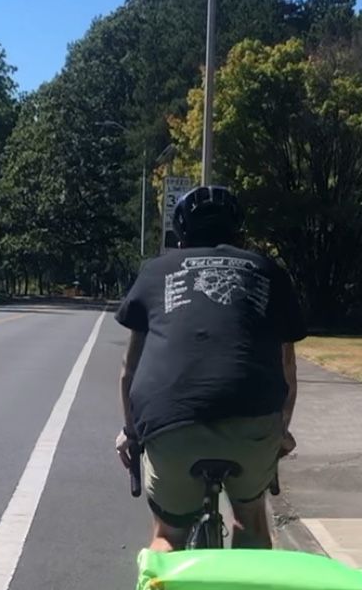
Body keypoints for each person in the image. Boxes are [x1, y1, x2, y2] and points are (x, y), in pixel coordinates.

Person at [115, 184, 306, 550]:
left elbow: (129, 370)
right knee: (250, 517)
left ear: (181, 236)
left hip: (171, 425)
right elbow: (287, 371)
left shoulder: (156, 271)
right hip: (252, 425)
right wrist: (281, 430)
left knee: (168, 532)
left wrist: (131, 433)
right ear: (238, 233)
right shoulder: (268, 271)